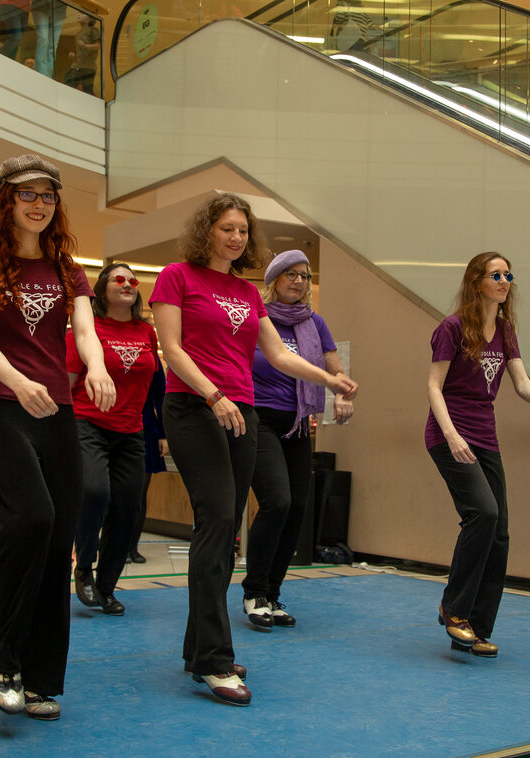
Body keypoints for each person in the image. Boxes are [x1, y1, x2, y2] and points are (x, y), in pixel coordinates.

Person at [150, 193, 357, 707]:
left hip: (243, 411)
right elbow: (171, 351)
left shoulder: (244, 291)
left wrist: (332, 380)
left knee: (222, 534)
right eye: (226, 228)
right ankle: (216, 662)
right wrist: (213, 394)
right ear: (207, 231)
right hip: (195, 407)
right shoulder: (176, 276)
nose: (237, 237)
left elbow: (279, 354)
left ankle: (199, 647)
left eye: (243, 229)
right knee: (218, 521)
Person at [0, 154, 115, 721]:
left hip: (58, 415)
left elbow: (87, 331)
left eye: (48, 195)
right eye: (28, 194)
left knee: (56, 542)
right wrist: (21, 384)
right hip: (0, 409)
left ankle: (41, 677)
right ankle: (1, 655)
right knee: (33, 520)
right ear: (6, 202)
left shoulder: (69, 270)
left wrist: (96, 368)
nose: (40, 204)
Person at [427, 252, 530, 659]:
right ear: (476, 281)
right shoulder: (451, 328)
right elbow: (434, 386)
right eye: (495, 274)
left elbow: (518, 379)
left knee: (498, 533)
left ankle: (476, 628)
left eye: (508, 275)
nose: (504, 281)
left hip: (485, 438)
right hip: (449, 436)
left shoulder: (504, 329)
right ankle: (454, 607)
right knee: (482, 513)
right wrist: (451, 435)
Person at [242, 249, 354, 630]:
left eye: (305, 276)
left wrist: (340, 395)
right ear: (273, 280)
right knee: (278, 501)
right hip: (259, 419)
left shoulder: (314, 322)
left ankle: (272, 594)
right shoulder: (256, 318)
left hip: (299, 423)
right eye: (290, 274)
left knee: (297, 510)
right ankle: (254, 590)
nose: (298, 281)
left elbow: (334, 369)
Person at [68, 263, 160, 616]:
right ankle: (84, 568)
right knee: (94, 492)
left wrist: (157, 427)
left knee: (128, 508)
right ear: (102, 288)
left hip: (132, 431)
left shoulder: (146, 332)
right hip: (87, 424)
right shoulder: (86, 329)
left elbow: (154, 385)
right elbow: (67, 380)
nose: (128, 284)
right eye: (118, 279)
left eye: (132, 280)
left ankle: (106, 586)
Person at [127, 359, 168, 564]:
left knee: (139, 493)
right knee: (114, 492)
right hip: (113, 423)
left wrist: (163, 434)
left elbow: (161, 397)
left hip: (145, 427)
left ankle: (132, 547)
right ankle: (115, 544)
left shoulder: (150, 355)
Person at [63, 13, 100, 93]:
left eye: (82, 13)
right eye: (79, 13)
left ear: (90, 18)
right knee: (67, 86)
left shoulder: (93, 30)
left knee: (87, 91)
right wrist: (73, 54)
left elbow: (97, 46)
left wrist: (85, 46)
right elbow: (79, 51)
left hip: (88, 68)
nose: (79, 14)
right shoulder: (78, 33)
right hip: (76, 67)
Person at [30, 0, 67, 78]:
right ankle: (40, 73)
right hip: (41, 5)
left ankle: (48, 75)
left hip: (60, 10)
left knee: (53, 45)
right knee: (43, 39)